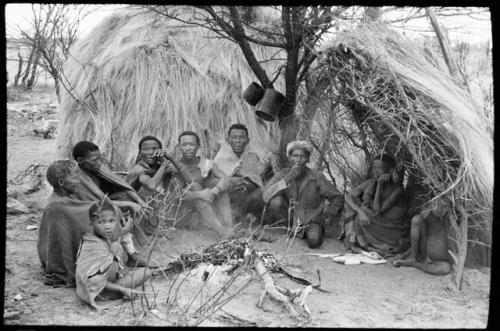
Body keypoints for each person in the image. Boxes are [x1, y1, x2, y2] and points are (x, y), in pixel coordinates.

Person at [37, 160, 144, 287]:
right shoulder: (59, 208)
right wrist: (123, 230)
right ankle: (116, 282)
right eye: (76, 177)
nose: (79, 182)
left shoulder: (60, 203)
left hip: (70, 266)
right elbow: (96, 233)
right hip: (80, 270)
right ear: (61, 182)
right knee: (141, 270)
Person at [71, 141, 150, 266]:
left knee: (128, 199)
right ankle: (131, 255)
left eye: (100, 158)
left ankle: (133, 243)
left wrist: (139, 201)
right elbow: (93, 203)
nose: (99, 162)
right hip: (86, 210)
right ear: (80, 160)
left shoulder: (97, 169)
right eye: (94, 160)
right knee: (117, 211)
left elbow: (123, 186)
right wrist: (126, 204)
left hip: (103, 202)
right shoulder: (77, 178)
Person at [262, 140, 344, 248]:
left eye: (303, 156)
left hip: (311, 220)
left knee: (314, 241)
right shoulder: (282, 175)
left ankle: (306, 231)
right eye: (295, 156)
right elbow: (265, 196)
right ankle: (291, 229)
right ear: (289, 158)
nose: (299, 160)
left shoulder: (317, 176)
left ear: (308, 159)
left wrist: (326, 216)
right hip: (290, 219)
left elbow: (337, 197)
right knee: (275, 201)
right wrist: (288, 178)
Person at [76, 199, 153, 309]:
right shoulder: (92, 246)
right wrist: (123, 289)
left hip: (108, 283)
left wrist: (124, 232)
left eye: (111, 221)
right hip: (100, 293)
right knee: (142, 273)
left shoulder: (102, 239)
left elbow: (114, 243)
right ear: (91, 223)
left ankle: (119, 286)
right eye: (101, 222)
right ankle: (119, 291)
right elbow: (93, 282)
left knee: (146, 271)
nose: (107, 226)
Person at [170, 131, 234, 238]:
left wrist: (215, 190)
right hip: (184, 214)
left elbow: (225, 179)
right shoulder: (176, 166)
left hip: (205, 212)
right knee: (195, 187)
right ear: (179, 147)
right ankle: (221, 231)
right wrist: (200, 194)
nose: (188, 148)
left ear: (198, 146)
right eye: (184, 145)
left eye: (191, 144)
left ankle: (228, 226)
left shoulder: (206, 163)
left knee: (216, 183)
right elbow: (176, 194)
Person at [343, 153, 408, 256]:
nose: (376, 172)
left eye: (380, 168)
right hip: (376, 224)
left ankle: (373, 246)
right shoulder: (370, 183)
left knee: (365, 211)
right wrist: (359, 212)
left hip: (391, 230)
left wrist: (379, 186)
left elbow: (378, 210)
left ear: (390, 171)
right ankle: (363, 244)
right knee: (359, 209)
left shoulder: (397, 189)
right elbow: (349, 197)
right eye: (374, 168)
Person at [212, 123, 265, 221]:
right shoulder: (221, 157)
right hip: (228, 196)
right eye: (234, 137)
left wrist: (246, 182)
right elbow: (213, 180)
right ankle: (229, 217)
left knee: (263, 191)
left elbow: (256, 182)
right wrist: (232, 180)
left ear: (248, 140)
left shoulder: (252, 157)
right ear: (228, 140)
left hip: (247, 198)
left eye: (241, 138)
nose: (238, 141)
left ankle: (242, 214)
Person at [126, 136, 176, 235]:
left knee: (173, 181)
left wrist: (169, 158)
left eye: (154, 149)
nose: (150, 152)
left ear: (160, 152)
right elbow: (151, 186)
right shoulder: (138, 169)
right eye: (146, 149)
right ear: (140, 153)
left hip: (149, 210)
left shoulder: (158, 167)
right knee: (149, 190)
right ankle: (139, 231)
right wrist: (164, 164)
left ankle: (151, 225)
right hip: (130, 210)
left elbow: (180, 175)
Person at [392, 199, 452, 275]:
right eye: (435, 203)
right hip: (425, 254)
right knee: (416, 220)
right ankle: (413, 258)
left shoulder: (454, 217)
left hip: (441, 261)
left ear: (446, 206)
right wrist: (405, 254)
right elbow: (419, 228)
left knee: (445, 269)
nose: (435, 206)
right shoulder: (430, 211)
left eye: (443, 204)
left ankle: (416, 264)